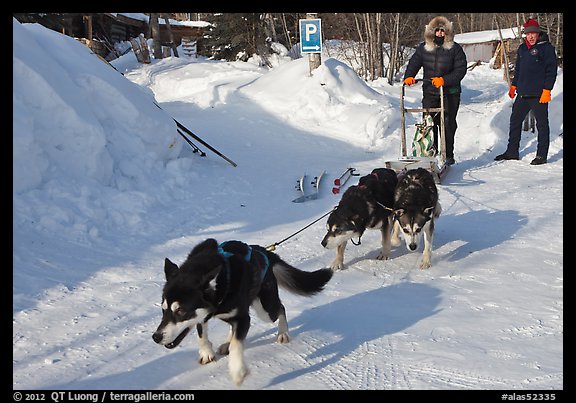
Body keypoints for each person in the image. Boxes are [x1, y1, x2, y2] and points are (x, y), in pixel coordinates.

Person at [403, 15, 467, 166]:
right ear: (431, 32)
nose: (439, 34)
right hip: (430, 92)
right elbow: (414, 62)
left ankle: (448, 154)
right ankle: (431, 151)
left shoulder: (455, 49)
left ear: (447, 32)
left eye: (442, 31)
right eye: (437, 31)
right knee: (430, 123)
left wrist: (444, 80)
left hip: (449, 93)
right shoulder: (424, 48)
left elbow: (460, 70)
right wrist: (409, 76)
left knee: (447, 123)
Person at [494, 18, 558, 165]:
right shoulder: (523, 48)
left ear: (538, 33)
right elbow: (519, 70)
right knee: (515, 121)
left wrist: (547, 89)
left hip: (539, 95)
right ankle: (512, 151)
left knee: (542, 125)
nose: (531, 36)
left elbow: (551, 71)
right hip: (523, 94)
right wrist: (514, 86)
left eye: (533, 33)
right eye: (528, 34)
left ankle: (542, 155)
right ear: (525, 35)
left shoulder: (546, 48)